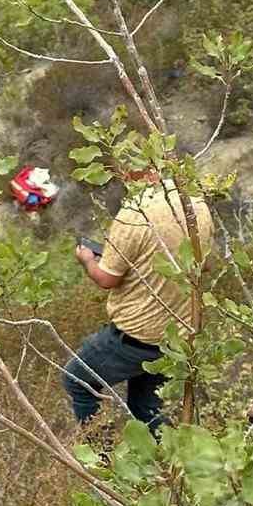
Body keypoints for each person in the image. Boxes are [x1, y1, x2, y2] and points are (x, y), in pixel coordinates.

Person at [63, 172, 213, 435]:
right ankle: (166, 463)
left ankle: (102, 453)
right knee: (145, 407)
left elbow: (107, 278)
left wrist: (87, 259)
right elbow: (204, 264)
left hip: (136, 336)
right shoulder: (195, 206)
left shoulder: (134, 215)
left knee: (77, 379)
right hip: (178, 335)